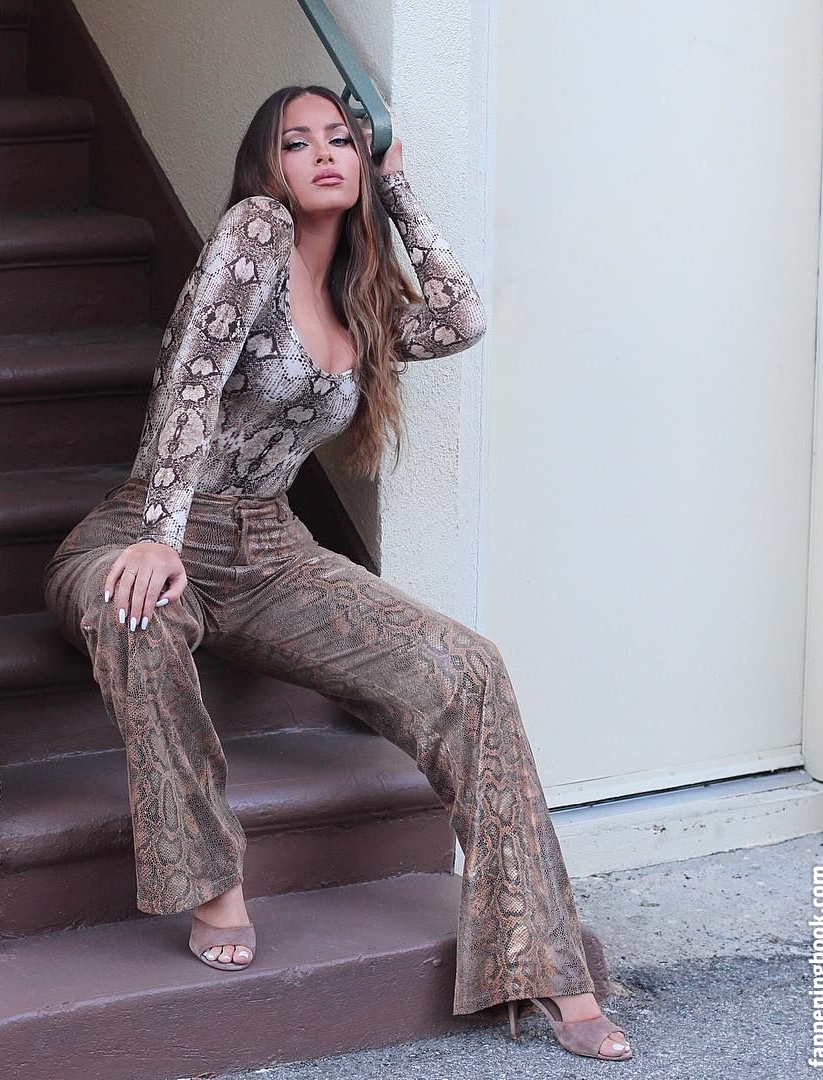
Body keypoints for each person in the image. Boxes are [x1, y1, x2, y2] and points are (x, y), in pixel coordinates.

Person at [43, 84, 633, 1063]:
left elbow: (460, 318)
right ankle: (210, 879)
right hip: (145, 528)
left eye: (341, 140)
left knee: (469, 667)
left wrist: (399, 195)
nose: (323, 154)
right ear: (266, 165)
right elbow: (192, 382)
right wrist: (157, 534)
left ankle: (545, 961)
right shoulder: (254, 232)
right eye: (297, 141)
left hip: (272, 552)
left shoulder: (361, 297)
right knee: (135, 613)